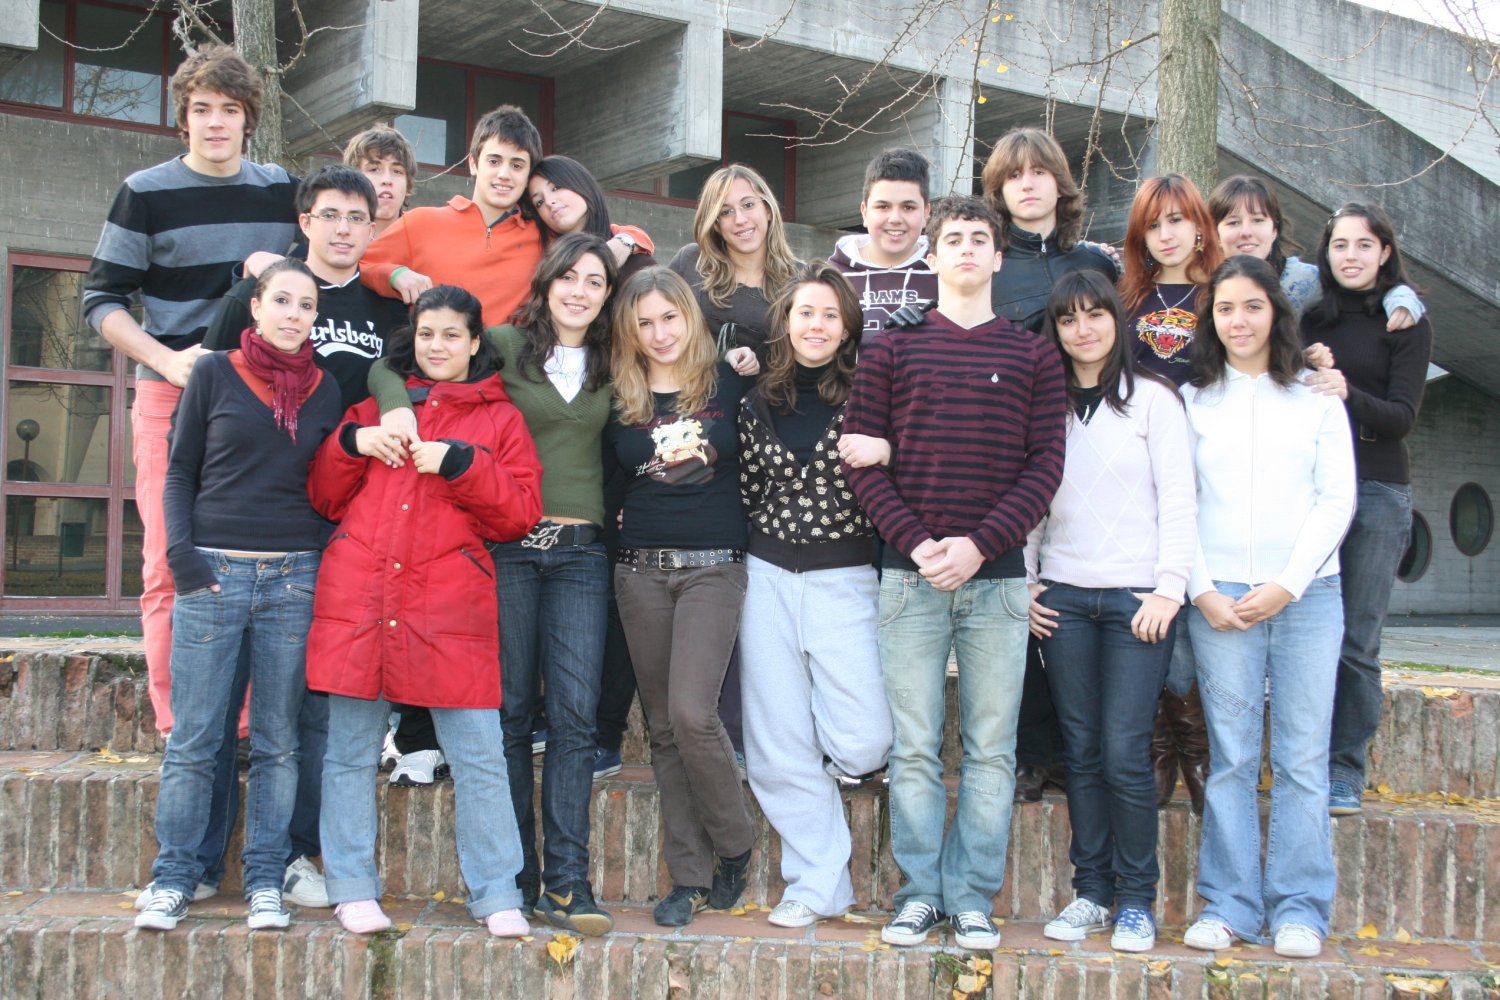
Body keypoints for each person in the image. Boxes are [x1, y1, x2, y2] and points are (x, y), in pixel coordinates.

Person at [84, 43, 300, 915]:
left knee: (260, 563)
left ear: (249, 117)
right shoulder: (144, 191)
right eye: (202, 108)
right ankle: (184, 728)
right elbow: (101, 300)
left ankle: (241, 726)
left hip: (263, 398)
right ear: (184, 116)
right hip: (172, 391)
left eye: (229, 109)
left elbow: (324, 266)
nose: (215, 123)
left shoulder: (279, 192)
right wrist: (165, 360)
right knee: (170, 564)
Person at [369, 234, 621, 932]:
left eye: (594, 281)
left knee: (573, 719)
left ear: (607, 294)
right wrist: (395, 407)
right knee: (507, 716)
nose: (579, 291)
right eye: (567, 277)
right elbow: (392, 365)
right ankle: (515, 876)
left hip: (580, 557)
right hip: (507, 549)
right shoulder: (506, 344)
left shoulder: (615, 356)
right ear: (546, 283)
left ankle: (567, 881)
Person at [842, 197, 1066, 951]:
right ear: (931, 257)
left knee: (991, 749)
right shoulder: (890, 349)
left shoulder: (1034, 355)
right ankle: (919, 894)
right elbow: (861, 459)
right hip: (908, 579)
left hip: (998, 581)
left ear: (999, 257)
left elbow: (1045, 467)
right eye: (953, 240)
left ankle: (971, 897)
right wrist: (917, 544)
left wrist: (979, 545)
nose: (966, 249)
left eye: (980, 239)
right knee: (913, 747)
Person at [306, 284, 544, 937]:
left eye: (452, 335)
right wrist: (353, 443)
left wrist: (462, 463)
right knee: (349, 753)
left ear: (474, 343)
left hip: (449, 605)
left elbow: (519, 514)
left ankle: (496, 892)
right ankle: (351, 886)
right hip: (362, 595)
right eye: (427, 333)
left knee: (480, 755)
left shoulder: (500, 420)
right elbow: (324, 496)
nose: (438, 346)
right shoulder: (375, 408)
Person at [135, 259, 343, 932]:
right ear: (255, 307)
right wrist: (183, 559)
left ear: (315, 318)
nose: (293, 314)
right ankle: (173, 876)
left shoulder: (326, 390)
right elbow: (179, 473)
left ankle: (264, 880)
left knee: (280, 742)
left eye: (306, 305)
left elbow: (332, 486)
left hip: (292, 579)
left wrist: (317, 556)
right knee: (196, 738)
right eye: (281, 300)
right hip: (214, 575)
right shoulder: (213, 375)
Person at [1180, 255, 1355, 960]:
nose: (1239, 320)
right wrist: (1201, 590)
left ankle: (1300, 909)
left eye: (1253, 306)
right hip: (1220, 597)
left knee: (1303, 758)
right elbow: (1177, 503)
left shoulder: (1316, 399)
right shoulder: (1193, 401)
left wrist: (1288, 581)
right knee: (1230, 758)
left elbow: (1337, 499)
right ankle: (1229, 905)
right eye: (1225, 308)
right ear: (1211, 319)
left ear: (1276, 313)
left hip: (1307, 597)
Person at [1026, 271, 1195, 953]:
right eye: (1069, 319)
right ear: (1057, 330)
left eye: (1095, 315)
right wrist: (1028, 581)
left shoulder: (1154, 399)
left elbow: (1179, 499)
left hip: (1136, 603)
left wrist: (1169, 588)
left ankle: (1136, 901)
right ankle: (1092, 892)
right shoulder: (1047, 405)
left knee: (1125, 750)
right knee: (1083, 750)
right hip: (1064, 598)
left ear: (1117, 323)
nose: (1083, 329)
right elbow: (1031, 497)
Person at [738, 261, 893, 928]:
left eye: (831, 314)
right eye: (806, 312)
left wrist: (888, 450)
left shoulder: (872, 396)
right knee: (776, 746)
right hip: (766, 577)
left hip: (845, 578)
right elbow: (746, 490)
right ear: (786, 321)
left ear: (848, 327)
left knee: (864, 740)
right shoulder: (755, 400)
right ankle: (815, 884)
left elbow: (903, 469)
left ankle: (833, 762)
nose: (817, 325)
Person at [604, 267, 761, 928]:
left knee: (693, 714)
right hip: (639, 571)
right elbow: (610, 483)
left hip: (713, 569)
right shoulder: (619, 396)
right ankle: (690, 876)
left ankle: (736, 842)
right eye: (644, 323)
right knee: (664, 731)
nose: (659, 333)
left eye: (669, 317)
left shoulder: (730, 381)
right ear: (629, 331)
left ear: (690, 317)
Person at [981, 126, 1120, 803]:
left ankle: (1083, 750)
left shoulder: (1094, 262)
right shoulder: (989, 264)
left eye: (1039, 172)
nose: (1028, 184)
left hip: (1090, 449)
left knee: (1075, 601)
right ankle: (1033, 752)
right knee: (1020, 604)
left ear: (1060, 184)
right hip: (1009, 452)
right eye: (1014, 176)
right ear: (999, 191)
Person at [1301, 204, 1432, 815]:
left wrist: (1347, 392)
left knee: (1356, 640)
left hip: (1377, 489)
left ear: (1384, 252)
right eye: (1339, 245)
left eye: (1363, 245)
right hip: (1308, 491)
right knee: (1304, 631)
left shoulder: (1405, 320)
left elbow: (1402, 417)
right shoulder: (1309, 315)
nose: (1350, 255)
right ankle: (1300, 759)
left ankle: (1344, 769)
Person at [1118, 173, 1224, 813]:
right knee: (1152, 594)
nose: (1167, 234)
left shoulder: (1221, 295)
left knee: (1188, 596)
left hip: (1209, 470)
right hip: (1139, 473)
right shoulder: (1127, 299)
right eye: (1154, 224)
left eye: (1178, 220)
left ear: (1200, 227)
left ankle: (1195, 744)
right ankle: (1163, 742)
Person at [360, 105, 543, 323]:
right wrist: (393, 274)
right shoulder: (421, 223)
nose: (504, 174)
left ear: (529, 174)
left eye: (517, 165)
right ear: (473, 163)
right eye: (494, 161)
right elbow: (356, 265)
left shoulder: (543, 238)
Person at [1209, 175, 1425, 328]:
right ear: (1215, 232)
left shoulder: (1303, 279)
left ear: (1274, 229)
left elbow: (1366, 287)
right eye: (1233, 222)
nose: (1246, 232)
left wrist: (1402, 299)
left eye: (1257, 220)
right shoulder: (1201, 283)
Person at [668, 163, 800, 362]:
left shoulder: (802, 280)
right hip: (693, 380)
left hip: (771, 382)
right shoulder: (690, 261)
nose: (740, 219)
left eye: (748, 205)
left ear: (768, 210)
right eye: (726, 212)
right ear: (716, 224)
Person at [829, 148, 937, 340]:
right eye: (883, 206)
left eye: (908, 207)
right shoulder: (831, 276)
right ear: (864, 212)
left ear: (926, 213)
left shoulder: (946, 273)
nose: (895, 218)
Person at [525, 154, 659, 284]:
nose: (549, 202)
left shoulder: (636, 265)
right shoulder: (545, 267)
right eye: (539, 202)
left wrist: (626, 240)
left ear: (581, 183)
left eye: (556, 188)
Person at [343, 123, 415, 238]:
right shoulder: (335, 237)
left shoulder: (425, 239)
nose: (387, 180)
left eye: (397, 171)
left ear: (408, 184)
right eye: (374, 169)